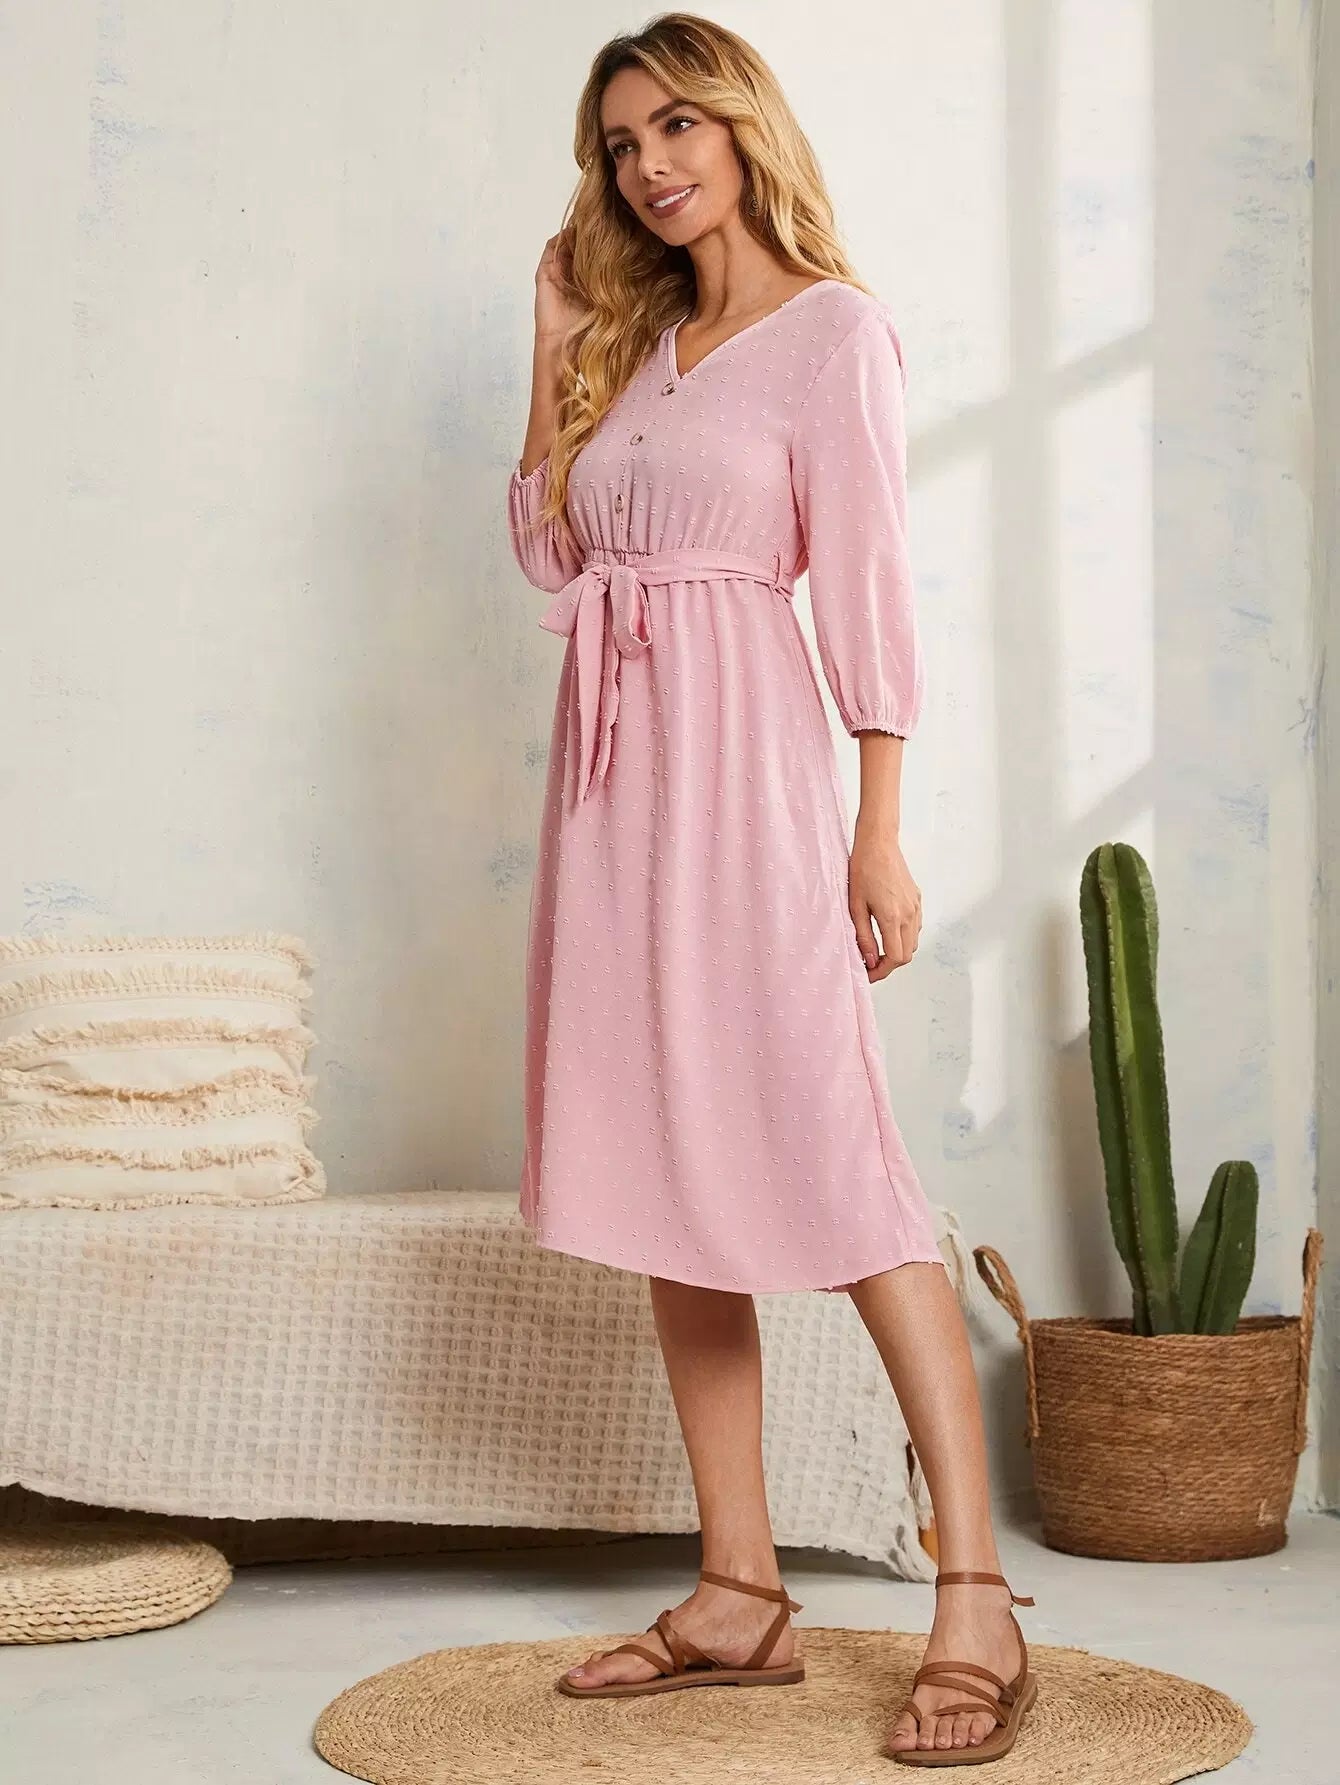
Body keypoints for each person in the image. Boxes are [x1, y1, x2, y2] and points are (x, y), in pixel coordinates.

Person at [504, 13, 1036, 1766]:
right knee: (671, 1170)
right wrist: (553, 344)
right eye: (621, 144)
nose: (650, 164)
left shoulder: (834, 332)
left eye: (676, 125)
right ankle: (739, 1586)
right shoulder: (639, 343)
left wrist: (879, 826)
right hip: (613, 800)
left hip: (750, 785)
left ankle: (975, 1590)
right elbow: (550, 550)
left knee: (843, 1168)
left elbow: (869, 582)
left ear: (741, 126)